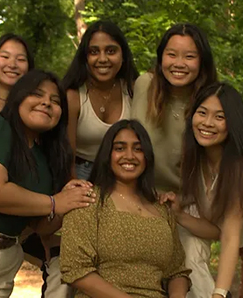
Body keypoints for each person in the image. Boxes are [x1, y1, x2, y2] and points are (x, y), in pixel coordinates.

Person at [0, 69, 95, 298]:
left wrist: (69, 201)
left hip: (0, 265)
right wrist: (55, 202)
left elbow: (40, 225)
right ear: (18, 98)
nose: (46, 103)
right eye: (37, 94)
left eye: (55, 101)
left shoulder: (46, 160)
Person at [131, 23, 217, 297]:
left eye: (189, 56)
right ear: (161, 57)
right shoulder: (145, 85)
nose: (179, 64)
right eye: (172, 54)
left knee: (190, 263)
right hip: (139, 196)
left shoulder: (211, 101)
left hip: (188, 203)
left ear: (201, 61)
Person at [60, 119, 191, 298]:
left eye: (138, 149)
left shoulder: (161, 208)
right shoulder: (87, 199)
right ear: (108, 154)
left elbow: (177, 271)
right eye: (120, 148)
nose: (129, 156)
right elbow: (75, 269)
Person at [161, 82, 243, 298]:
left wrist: (219, 293)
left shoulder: (237, 168)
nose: (207, 123)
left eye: (219, 117)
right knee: (186, 245)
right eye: (202, 113)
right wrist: (179, 213)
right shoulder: (195, 157)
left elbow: (230, 236)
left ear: (232, 122)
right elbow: (216, 231)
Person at [62, 20, 139, 180]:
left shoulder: (135, 89)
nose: (102, 59)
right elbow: (67, 156)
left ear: (123, 55)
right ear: (85, 57)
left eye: (111, 51)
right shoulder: (73, 95)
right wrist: (74, 185)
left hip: (126, 172)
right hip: (81, 171)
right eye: (94, 52)